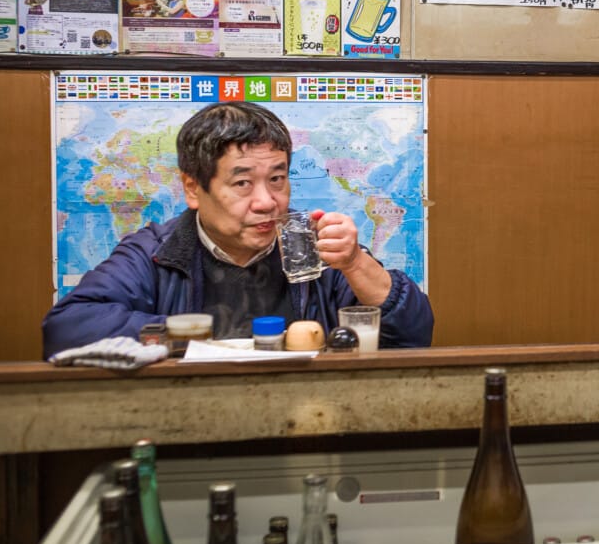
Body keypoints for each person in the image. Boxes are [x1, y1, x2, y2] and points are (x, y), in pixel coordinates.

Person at [42, 101, 434, 357]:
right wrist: (188, 336)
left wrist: (353, 262)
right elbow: (65, 329)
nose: (267, 201)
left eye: (277, 179)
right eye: (243, 183)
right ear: (194, 188)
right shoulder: (157, 253)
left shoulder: (315, 250)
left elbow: (414, 334)